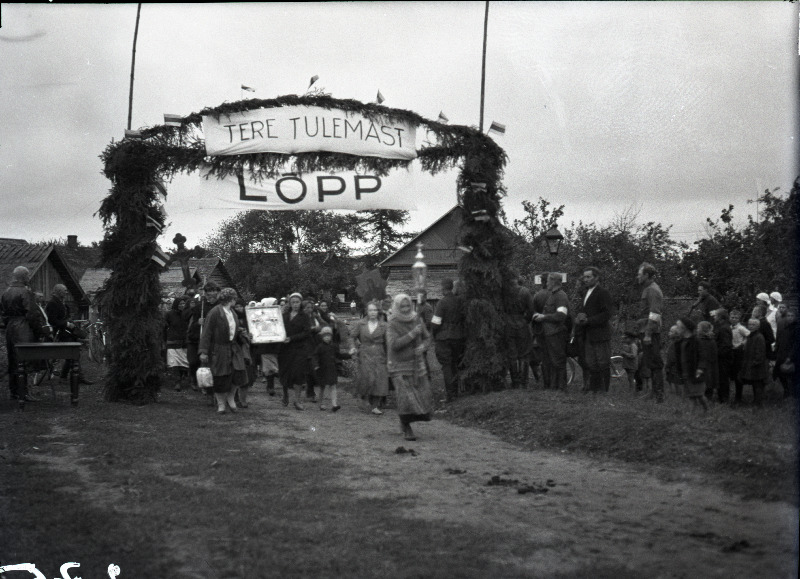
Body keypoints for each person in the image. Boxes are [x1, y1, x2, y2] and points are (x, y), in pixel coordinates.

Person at [386, 293, 434, 441]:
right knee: (405, 398)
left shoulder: (416, 318)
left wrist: (423, 347)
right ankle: (406, 426)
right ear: (396, 306)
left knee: (421, 395)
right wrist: (412, 334)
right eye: (402, 306)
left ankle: (406, 421)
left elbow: (427, 337)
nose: (406, 308)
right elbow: (394, 345)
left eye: (408, 305)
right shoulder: (392, 323)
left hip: (416, 364)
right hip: (399, 365)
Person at [198, 288, 250, 414]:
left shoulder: (233, 313)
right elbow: (207, 332)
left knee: (238, 374)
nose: (235, 300)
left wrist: (242, 333)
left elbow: (233, 329)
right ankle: (221, 404)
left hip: (233, 348)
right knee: (221, 376)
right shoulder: (215, 312)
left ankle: (231, 398)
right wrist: (203, 351)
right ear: (230, 299)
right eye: (234, 298)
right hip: (219, 349)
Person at [1, 266, 47, 401]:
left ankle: (14, 392)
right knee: (24, 360)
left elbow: (3, 314)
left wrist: (9, 324)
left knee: (13, 360)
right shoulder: (26, 292)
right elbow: (32, 315)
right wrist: (39, 331)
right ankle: (24, 392)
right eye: (27, 276)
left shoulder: (6, 292)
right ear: (24, 277)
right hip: (23, 328)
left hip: (10, 328)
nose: (29, 278)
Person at [575, 267, 614, 393]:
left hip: (600, 333)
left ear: (596, 278)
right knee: (591, 362)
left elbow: (607, 313)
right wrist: (580, 317)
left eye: (588, 277)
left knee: (602, 362)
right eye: (584, 277)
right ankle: (594, 389)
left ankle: (603, 390)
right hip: (589, 334)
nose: (585, 279)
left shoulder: (603, 292)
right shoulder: (587, 292)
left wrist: (589, 320)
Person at [46, 283, 93, 385]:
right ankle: (79, 377)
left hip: (67, 332)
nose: (66, 292)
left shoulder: (62, 302)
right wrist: (66, 324)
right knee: (72, 353)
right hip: (60, 333)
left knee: (72, 353)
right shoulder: (52, 303)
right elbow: (52, 320)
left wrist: (70, 322)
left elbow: (64, 317)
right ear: (59, 292)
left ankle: (63, 377)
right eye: (65, 290)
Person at [531, 272, 570, 390]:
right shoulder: (553, 295)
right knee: (552, 362)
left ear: (553, 282)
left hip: (557, 334)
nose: (546, 283)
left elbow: (561, 315)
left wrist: (544, 317)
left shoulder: (561, 296)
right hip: (550, 334)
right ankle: (554, 388)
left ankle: (561, 388)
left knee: (558, 361)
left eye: (548, 281)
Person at [431, 278, 465, 401]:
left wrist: (434, 334)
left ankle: (451, 395)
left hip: (444, 338)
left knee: (447, 366)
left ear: (443, 288)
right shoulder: (460, 301)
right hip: (459, 336)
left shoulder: (442, 303)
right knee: (455, 365)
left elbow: (436, 323)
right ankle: (456, 393)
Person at [636, 262, 666, 402]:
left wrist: (648, 333)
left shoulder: (653, 290)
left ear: (646, 275)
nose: (638, 277)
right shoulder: (647, 289)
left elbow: (655, 314)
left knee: (655, 362)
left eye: (639, 274)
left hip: (651, 333)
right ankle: (654, 393)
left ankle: (658, 395)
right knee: (650, 362)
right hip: (646, 330)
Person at [353, 301, 389, 414]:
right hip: (365, 353)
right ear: (366, 311)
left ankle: (375, 405)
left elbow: (389, 342)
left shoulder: (384, 325)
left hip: (379, 354)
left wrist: (390, 356)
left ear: (378, 312)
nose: (373, 312)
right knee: (367, 378)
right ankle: (363, 398)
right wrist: (353, 347)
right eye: (370, 310)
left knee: (379, 379)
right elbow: (351, 337)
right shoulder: (361, 324)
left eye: (375, 310)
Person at [278, 292, 312, 410]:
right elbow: (278, 328)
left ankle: (297, 400)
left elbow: (307, 333)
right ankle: (285, 394)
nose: (295, 304)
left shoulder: (304, 316)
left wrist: (292, 338)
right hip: (285, 349)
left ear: (300, 303)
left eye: (297, 302)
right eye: (293, 302)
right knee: (285, 372)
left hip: (299, 349)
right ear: (290, 303)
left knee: (298, 374)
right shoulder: (284, 315)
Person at [186, 281, 220, 390]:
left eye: (214, 291)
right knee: (193, 361)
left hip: (211, 339)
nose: (211, 294)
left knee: (209, 364)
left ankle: (208, 385)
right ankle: (194, 379)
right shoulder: (199, 307)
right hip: (196, 338)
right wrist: (198, 323)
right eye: (209, 292)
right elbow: (189, 322)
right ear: (205, 293)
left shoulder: (220, 307)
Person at [312, 326, 354, 411]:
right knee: (322, 387)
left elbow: (339, 355)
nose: (327, 337)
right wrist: (315, 365)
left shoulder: (334, 346)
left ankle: (334, 404)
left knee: (333, 386)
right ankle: (321, 403)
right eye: (325, 336)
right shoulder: (319, 347)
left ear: (331, 336)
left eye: (329, 335)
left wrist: (349, 355)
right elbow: (315, 357)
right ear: (322, 337)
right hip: (322, 369)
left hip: (332, 368)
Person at [504, 277, 534, 389]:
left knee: (512, 355)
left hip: (508, 325)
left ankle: (515, 382)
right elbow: (531, 310)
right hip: (522, 324)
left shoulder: (505, 292)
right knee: (524, 354)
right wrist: (526, 320)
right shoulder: (525, 291)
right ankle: (524, 382)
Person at [674, 317, 708, 412]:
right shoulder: (679, 342)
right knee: (691, 396)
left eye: (677, 327)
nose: (676, 329)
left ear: (684, 328)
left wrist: (700, 368)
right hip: (686, 373)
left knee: (699, 395)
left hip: (695, 372)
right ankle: (692, 415)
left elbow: (703, 356)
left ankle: (706, 410)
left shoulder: (696, 341)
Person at [252, 297, 281, 396]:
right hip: (265, 345)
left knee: (275, 367)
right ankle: (270, 386)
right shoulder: (259, 315)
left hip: (277, 344)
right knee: (269, 369)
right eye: (274, 303)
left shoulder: (278, 315)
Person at [739, 316, 768, 406]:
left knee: (758, 383)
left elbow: (760, 352)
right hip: (750, 363)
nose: (751, 326)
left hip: (757, 365)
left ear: (758, 326)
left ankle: (758, 402)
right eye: (750, 324)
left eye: (753, 324)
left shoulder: (759, 337)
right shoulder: (751, 336)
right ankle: (756, 401)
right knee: (754, 383)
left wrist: (756, 362)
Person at [233, 298, 256, 408]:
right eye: (236, 306)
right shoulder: (232, 319)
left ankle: (243, 399)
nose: (239, 308)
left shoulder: (250, 319)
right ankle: (235, 398)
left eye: (240, 306)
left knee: (248, 376)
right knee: (237, 375)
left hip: (249, 351)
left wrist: (251, 336)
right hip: (236, 351)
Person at [163, 296, 190, 391]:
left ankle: (183, 377)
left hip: (184, 342)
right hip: (172, 341)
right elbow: (164, 327)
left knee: (184, 363)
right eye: (180, 304)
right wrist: (164, 339)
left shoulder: (186, 314)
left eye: (183, 304)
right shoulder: (169, 314)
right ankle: (177, 382)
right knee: (174, 363)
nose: (182, 305)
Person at [773, 307, 796, 398]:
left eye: (792, 316)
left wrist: (790, 356)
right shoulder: (784, 326)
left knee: (793, 373)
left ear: (795, 317)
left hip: (792, 354)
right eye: (788, 316)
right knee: (779, 372)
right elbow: (779, 340)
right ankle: (786, 390)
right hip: (782, 353)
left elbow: (796, 344)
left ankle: (793, 393)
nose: (790, 317)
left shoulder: (796, 328)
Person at [729, 309, 750, 405]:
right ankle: (730, 396)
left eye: (736, 318)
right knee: (732, 374)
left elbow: (749, 336)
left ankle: (738, 397)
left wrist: (742, 344)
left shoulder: (741, 328)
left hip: (739, 352)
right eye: (732, 317)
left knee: (738, 375)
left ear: (739, 319)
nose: (733, 319)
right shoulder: (729, 327)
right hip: (731, 352)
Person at [712, 308, 733, 403]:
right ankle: (721, 398)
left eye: (716, 315)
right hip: (722, 357)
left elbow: (726, 345)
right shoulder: (722, 326)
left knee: (723, 379)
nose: (714, 317)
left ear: (720, 317)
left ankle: (724, 399)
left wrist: (717, 354)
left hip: (723, 359)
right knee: (721, 378)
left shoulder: (724, 328)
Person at [696, 321, 719, 403]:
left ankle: (706, 401)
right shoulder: (710, 341)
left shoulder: (707, 341)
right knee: (707, 383)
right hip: (708, 365)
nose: (697, 329)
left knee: (706, 383)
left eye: (698, 328)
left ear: (703, 329)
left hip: (706, 365)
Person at [664, 325, 683, 397]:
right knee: (674, 381)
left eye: (671, 331)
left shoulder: (676, 344)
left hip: (675, 366)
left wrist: (667, 365)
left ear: (676, 333)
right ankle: (676, 397)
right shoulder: (674, 343)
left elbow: (672, 357)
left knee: (677, 382)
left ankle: (680, 398)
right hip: (673, 366)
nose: (669, 333)